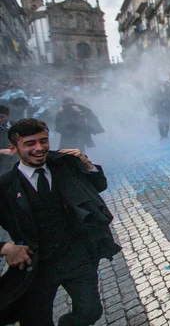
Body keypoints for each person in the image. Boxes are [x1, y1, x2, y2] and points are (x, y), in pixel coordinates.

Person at [0, 118, 120, 326]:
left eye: (43, 141)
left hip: (77, 256)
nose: (39, 148)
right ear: (13, 148)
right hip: (37, 266)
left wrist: (88, 164)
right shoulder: (5, 185)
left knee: (90, 312)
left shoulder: (65, 165)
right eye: (30, 144)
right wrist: (5, 247)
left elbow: (97, 186)